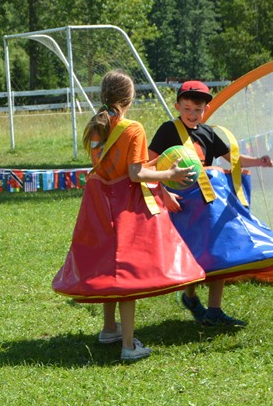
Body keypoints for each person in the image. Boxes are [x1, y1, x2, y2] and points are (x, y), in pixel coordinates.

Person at [52, 70, 205, 362]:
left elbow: (115, 167)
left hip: (99, 204)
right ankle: (128, 346)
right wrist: (169, 174)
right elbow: (135, 174)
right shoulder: (133, 128)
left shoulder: (96, 125)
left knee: (108, 266)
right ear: (130, 98)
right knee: (127, 273)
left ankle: (109, 328)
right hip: (125, 206)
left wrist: (157, 164)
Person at [148, 80, 273, 327]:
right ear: (177, 106)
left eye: (198, 110)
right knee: (193, 254)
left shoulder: (207, 133)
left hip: (210, 206)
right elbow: (148, 166)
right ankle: (190, 295)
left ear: (205, 109)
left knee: (218, 253)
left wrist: (259, 161)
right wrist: (164, 193)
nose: (192, 115)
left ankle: (214, 311)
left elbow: (233, 159)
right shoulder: (168, 130)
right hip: (182, 205)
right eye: (187, 109)